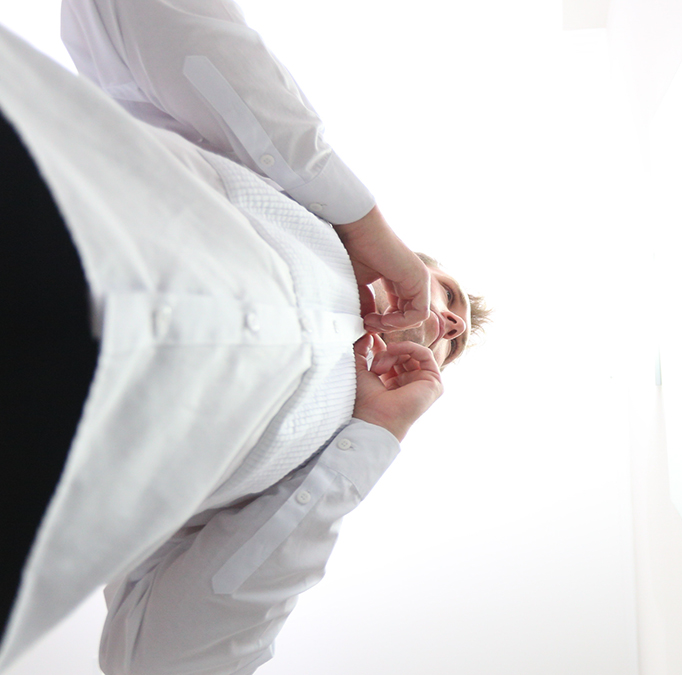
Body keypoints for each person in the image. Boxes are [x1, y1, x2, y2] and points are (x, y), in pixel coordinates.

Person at [0, 0, 487, 672]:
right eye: (451, 297)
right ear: (415, 268)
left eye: (452, 345)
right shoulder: (295, 193)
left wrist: (372, 440)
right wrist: (360, 222)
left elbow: (154, 662)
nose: (451, 324)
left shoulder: (307, 474)